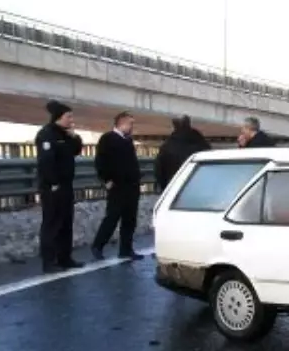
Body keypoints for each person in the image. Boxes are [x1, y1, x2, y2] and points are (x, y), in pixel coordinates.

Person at [35, 100, 84, 272]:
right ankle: (49, 261)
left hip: (66, 185)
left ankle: (65, 258)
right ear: (58, 117)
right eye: (68, 117)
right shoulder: (46, 134)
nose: (71, 120)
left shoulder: (65, 135)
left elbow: (76, 150)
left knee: (66, 223)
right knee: (52, 224)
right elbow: (46, 162)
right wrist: (53, 183)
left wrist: (74, 135)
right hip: (52, 187)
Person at [90, 111, 145, 261]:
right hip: (118, 186)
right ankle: (98, 246)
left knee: (130, 219)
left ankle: (126, 249)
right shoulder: (108, 139)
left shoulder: (127, 140)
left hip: (131, 186)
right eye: (130, 123)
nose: (132, 127)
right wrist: (106, 179)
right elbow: (100, 161)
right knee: (112, 217)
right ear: (121, 123)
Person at [154, 115, 212, 190]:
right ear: (188, 123)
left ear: (174, 125)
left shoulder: (167, 147)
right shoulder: (201, 144)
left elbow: (159, 172)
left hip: (175, 189)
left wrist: (165, 188)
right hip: (200, 188)